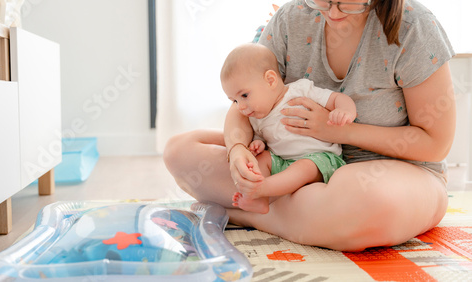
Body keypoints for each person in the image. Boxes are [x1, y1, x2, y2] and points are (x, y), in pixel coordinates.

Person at [163, 0, 455, 251]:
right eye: (323, 2)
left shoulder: (415, 28)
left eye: (345, 2)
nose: (333, 12)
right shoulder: (292, 18)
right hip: (289, 166)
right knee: (181, 152)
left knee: (365, 199)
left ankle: (247, 213)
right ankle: (310, 217)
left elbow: (434, 143)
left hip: (390, 175)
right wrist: (238, 149)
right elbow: (244, 98)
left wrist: (336, 132)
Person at [220, 43, 356, 214]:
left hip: (321, 159)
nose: (240, 106)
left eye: (244, 95)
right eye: (234, 101)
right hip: (284, 162)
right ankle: (259, 200)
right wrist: (258, 145)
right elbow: (262, 139)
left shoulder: (300, 90)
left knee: (304, 167)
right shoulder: (256, 118)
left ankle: (262, 188)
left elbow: (337, 98)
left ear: (270, 80)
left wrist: (345, 111)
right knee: (261, 159)